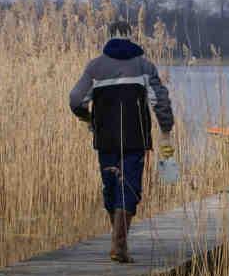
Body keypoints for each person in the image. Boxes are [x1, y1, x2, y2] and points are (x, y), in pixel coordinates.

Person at [69, 21, 175, 263]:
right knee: (129, 188)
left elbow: (76, 99)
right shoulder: (144, 65)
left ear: (109, 36)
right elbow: (160, 101)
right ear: (131, 36)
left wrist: (89, 117)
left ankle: (119, 243)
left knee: (111, 187)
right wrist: (166, 128)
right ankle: (119, 245)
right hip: (135, 138)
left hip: (105, 139)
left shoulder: (95, 67)